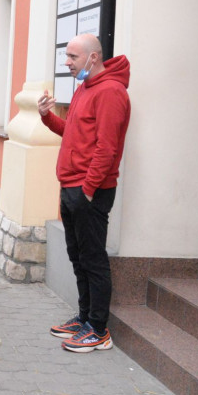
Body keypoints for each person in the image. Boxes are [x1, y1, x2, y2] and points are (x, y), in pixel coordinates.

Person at [39, 34, 130, 353]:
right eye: (66, 56)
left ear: (93, 57)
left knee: (93, 259)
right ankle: (84, 318)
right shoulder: (85, 88)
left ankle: (99, 329)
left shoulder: (111, 92)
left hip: (89, 192)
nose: (66, 62)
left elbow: (107, 147)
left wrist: (88, 190)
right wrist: (47, 117)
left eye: (72, 57)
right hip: (71, 187)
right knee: (79, 257)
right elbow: (73, 132)